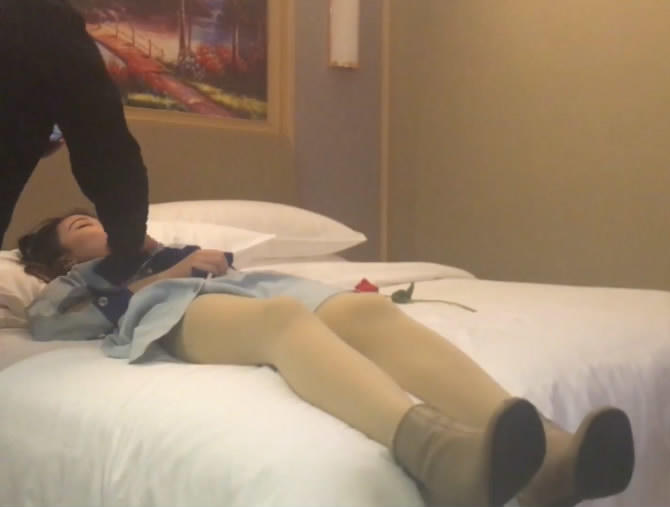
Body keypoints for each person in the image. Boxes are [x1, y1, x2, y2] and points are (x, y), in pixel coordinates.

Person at [18, 210, 636, 507]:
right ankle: (438, 457)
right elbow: (48, 323)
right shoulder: (80, 281)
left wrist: (178, 254)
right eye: (83, 224)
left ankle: (553, 458)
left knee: (365, 313)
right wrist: (170, 274)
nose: (103, 220)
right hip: (171, 314)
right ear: (64, 257)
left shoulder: (166, 246)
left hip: (249, 287)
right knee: (282, 322)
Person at [0, 0, 150, 285]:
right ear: (64, 262)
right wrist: (129, 250)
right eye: (82, 225)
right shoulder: (40, 18)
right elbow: (106, 148)